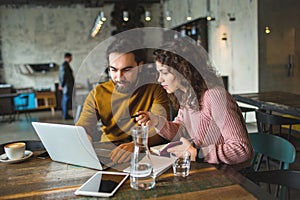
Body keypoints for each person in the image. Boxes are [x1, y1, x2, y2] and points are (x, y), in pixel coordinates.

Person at [136, 39, 253, 167]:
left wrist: (198, 154)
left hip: (228, 175)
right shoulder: (187, 96)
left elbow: (242, 149)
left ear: (183, 71)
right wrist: (157, 121)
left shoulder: (214, 96)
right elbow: (181, 131)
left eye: (164, 73)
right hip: (207, 168)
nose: (159, 79)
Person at [76, 38, 170, 163]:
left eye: (127, 70)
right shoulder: (97, 93)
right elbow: (83, 127)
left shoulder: (155, 89)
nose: (119, 77)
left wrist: (135, 145)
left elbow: (162, 129)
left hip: (143, 154)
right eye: (113, 70)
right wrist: (84, 138)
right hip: (108, 154)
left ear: (140, 66)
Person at [59, 52, 74, 120]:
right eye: (70, 57)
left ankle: (66, 114)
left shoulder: (66, 65)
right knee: (65, 101)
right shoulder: (64, 65)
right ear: (67, 58)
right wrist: (61, 85)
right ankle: (65, 115)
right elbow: (63, 76)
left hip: (67, 86)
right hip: (66, 87)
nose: (71, 59)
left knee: (66, 101)